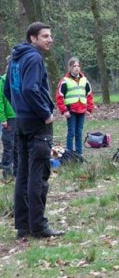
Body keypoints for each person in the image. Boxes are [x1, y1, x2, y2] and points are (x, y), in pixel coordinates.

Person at [3, 22, 64, 239]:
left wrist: (20, 109)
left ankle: (23, 226)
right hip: (37, 124)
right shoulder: (34, 58)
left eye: (50, 36)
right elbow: (29, 89)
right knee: (38, 174)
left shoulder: (15, 59)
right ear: (33, 38)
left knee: (23, 174)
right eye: (45, 36)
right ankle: (38, 226)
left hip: (21, 121)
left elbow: (8, 90)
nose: (50, 39)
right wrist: (45, 113)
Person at [55, 57, 94, 156]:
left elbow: (89, 95)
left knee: (79, 133)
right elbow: (59, 97)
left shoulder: (84, 80)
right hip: (70, 111)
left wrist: (89, 108)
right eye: (74, 66)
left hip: (82, 110)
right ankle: (69, 154)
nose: (77, 68)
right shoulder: (65, 81)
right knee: (71, 133)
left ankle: (79, 154)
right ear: (70, 68)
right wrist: (64, 110)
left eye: (78, 66)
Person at [0, 59, 17, 179]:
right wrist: (3, 118)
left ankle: (17, 171)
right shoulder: (2, 81)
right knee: (9, 144)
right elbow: (0, 102)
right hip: (8, 118)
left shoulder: (19, 80)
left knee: (18, 145)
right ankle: (6, 171)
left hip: (20, 117)